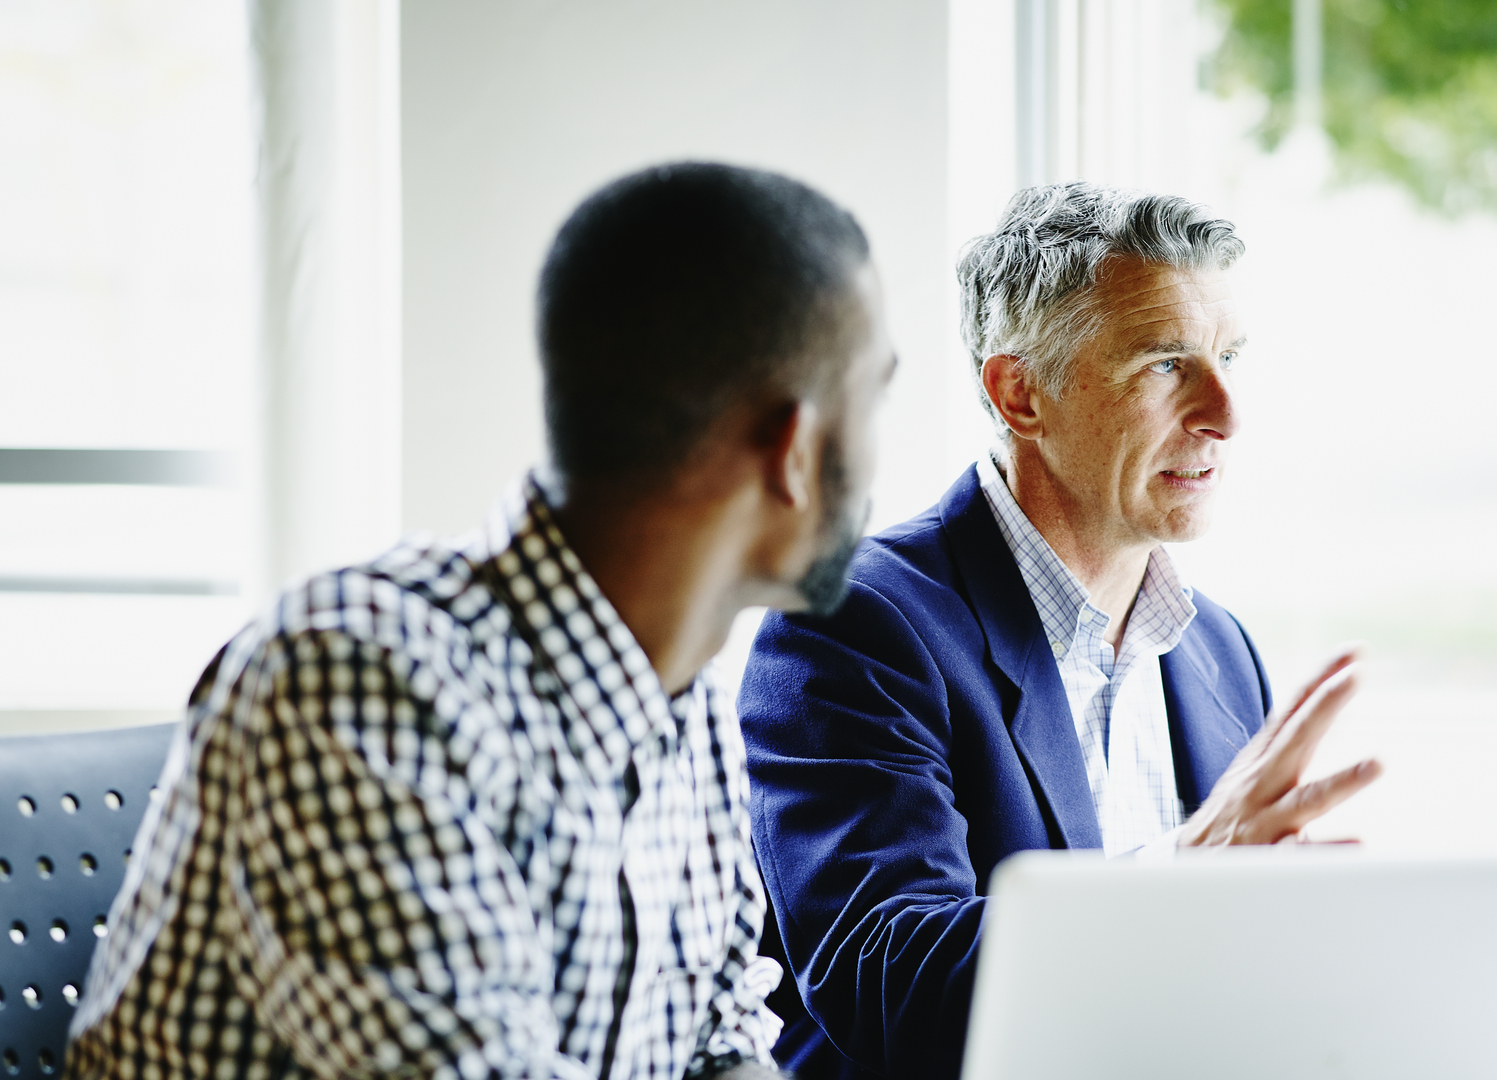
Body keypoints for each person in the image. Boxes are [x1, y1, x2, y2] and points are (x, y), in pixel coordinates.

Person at [65, 162, 896, 1080]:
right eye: (876, 398)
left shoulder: (686, 699)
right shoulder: (358, 683)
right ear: (794, 450)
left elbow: (722, 1041)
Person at [737, 183, 1383, 1079]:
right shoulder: (856, 625)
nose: (1226, 414)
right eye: (1165, 364)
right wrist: (1181, 877)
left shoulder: (1219, 653)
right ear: (1021, 393)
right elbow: (893, 989)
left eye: (1229, 356)